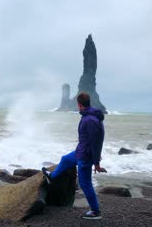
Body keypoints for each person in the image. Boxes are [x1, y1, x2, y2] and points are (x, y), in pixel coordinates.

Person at [42, 92, 106, 220]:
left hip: (85, 157)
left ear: (79, 104)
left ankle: (95, 211)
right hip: (80, 152)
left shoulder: (90, 120)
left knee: (85, 184)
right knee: (65, 159)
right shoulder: (89, 115)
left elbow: (96, 142)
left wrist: (96, 162)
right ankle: (52, 177)